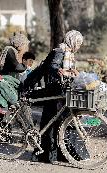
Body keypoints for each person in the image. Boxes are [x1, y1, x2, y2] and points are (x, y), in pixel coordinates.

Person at [24, 30, 86, 163]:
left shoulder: (69, 53)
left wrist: (72, 72)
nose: (79, 46)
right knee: (52, 122)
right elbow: (52, 67)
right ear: (72, 41)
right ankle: (47, 154)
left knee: (61, 121)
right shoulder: (59, 51)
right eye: (78, 43)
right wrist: (60, 72)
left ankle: (61, 154)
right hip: (53, 91)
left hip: (59, 90)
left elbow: (63, 70)